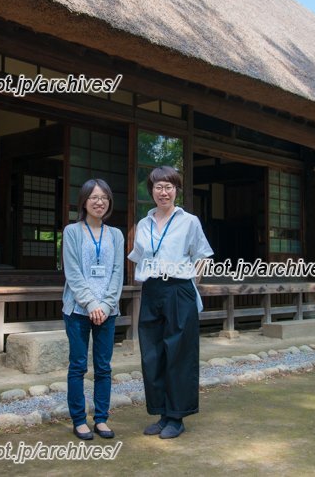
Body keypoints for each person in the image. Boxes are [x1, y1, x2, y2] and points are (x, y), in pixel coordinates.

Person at [128, 166, 213, 439]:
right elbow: (138, 257)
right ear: (151, 191)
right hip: (152, 290)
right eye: (158, 187)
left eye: (169, 187)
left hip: (178, 290)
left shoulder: (189, 221)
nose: (163, 192)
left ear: (176, 190)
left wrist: (191, 284)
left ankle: (177, 416)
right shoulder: (144, 224)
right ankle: (162, 412)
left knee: (180, 353)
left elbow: (202, 255)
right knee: (153, 354)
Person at [62, 178, 124, 440]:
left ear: (109, 202)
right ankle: (79, 419)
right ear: (84, 201)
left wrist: (106, 304)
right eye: (94, 197)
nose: (99, 202)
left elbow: (117, 272)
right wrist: (91, 304)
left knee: (104, 367)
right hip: (78, 309)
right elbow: (73, 272)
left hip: (108, 311)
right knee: (78, 365)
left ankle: (101, 418)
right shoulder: (72, 231)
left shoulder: (116, 235)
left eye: (104, 198)